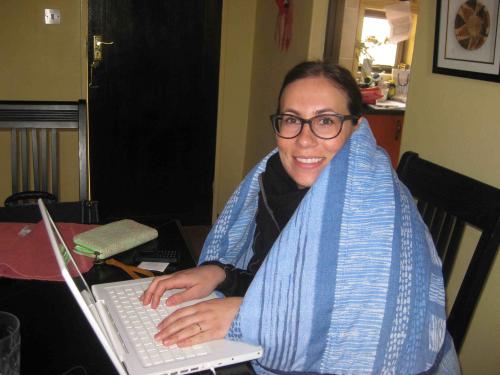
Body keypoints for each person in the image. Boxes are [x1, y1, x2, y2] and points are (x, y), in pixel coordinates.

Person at [141, 61, 460, 374]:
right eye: (292, 120)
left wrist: (247, 316)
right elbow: (276, 281)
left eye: (325, 121)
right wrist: (220, 273)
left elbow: (368, 336)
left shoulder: (373, 215)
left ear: (357, 127)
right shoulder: (277, 181)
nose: (304, 140)